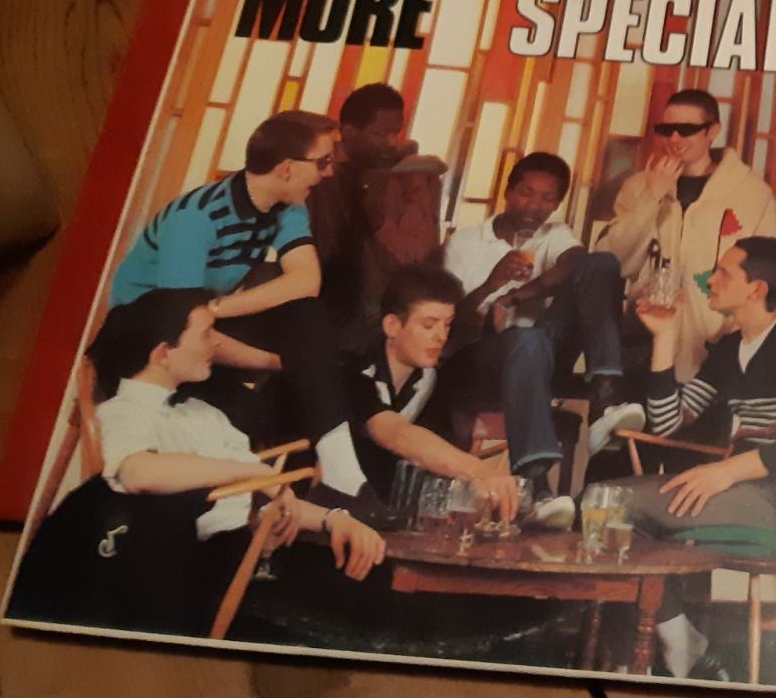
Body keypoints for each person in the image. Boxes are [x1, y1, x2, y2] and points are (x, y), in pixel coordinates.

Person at [10, 289, 386, 637]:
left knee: (365, 601)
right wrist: (256, 472)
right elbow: (139, 473)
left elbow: (268, 495)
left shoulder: (204, 415)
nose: (216, 344)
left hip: (243, 560)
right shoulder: (124, 413)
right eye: (206, 334)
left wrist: (334, 518)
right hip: (178, 579)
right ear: (163, 353)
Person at [107, 110, 367, 495]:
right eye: (322, 161)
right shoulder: (195, 220)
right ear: (286, 168)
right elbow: (178, 329)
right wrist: (280, 362)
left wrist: (216, 310)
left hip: (199, 322)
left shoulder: (287, 208)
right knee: (262, 406)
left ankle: (339, 474)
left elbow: (306, 281)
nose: (328, 173)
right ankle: (294, 499)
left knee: (305, 315)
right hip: (149, 348)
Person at [625, 236, 776, 679]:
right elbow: (667, 423)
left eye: (723, 273)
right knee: (612, 508)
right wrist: (665, 338)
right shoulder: (731, 349)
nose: (709, 280)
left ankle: (679, 640)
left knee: (610, 502)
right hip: (744, 492)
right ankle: (679, 635)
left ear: (756, 289)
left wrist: (728, 471)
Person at [439, 152, 641, 524]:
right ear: (507, 191)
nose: (534, 206)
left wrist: (515, 296)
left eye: (548, 198)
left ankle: (605, 397)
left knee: (601, 263)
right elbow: (448, 320)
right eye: (526, 193)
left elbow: (576, 263)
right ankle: (535, 486)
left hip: (539, 355)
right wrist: (493, 284)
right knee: (526, 339)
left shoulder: (554, 234)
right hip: (479, 358)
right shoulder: (465, 242)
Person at [593, 89, 776, 382]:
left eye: (687, 129)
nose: (674, 138)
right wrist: (651, 197)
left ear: (712, 131)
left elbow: (769, 278)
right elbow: (613, 261)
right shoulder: (638, 187)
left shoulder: (753, 194)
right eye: (666, 129)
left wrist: (742, 334)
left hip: (718, 349)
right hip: (643, 343)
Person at [338, 265, 525, 525]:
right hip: (338, 517)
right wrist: (479, 470)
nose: (441, 337)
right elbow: (396, 434)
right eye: (428, 325)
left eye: (447, 325)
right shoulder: (353, 374)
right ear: (392, 325)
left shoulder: (435, 383)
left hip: (398, 522)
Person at [308, 82, 432, 338]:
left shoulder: (404, 174)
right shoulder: (319, 171)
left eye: (396, 133)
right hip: (317, 293)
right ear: (349, 131)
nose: (391, 143)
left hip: (376, 305)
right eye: (380, 134)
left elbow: (414, 255)